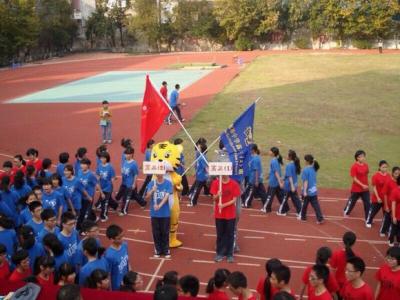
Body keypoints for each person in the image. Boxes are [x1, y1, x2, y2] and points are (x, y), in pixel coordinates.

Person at [210, 174, 241, 263]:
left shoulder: (234, 184)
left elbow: (234, 200)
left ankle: (229, 254)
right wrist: (217, 195)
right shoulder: (216, 183)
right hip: (219, 214)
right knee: (220, 234)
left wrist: (223, 205)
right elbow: (213, 198)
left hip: (230, 214)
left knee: (230, 234)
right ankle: (219, 253)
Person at [145, 173, 172, 258]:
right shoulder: (151, 183)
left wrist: (159, 206)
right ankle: (158, 249)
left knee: (165, 231)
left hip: (165, 213)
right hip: (154, 214)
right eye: (157, 173)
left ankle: (166, 249)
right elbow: (147, 197)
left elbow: (166, 197)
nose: (158, 174)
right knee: (156, 232)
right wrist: (152, 190)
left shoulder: (168, 183)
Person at [117, 147, 146, 216]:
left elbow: (136, 174)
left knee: (126, 197)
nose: (126, 155)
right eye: (125, 154)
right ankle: (143, 202)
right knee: (134, 195)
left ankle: (124, 211)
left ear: (131, 154)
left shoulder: (134, 164)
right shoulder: (124, 161)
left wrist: (134, 184)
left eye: (128, 154)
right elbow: (123, 167)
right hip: (124, 182)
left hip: (129, 184)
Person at [344, 150, 370, 220]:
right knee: (352, 201)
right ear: (357, 158)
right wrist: (362, 185)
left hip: (365, 189)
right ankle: (346, 211)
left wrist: (366, 185)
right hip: (356, 188)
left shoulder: (366, 165)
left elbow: (366, 174)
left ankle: (368, 218)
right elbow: (354, 178)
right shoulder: (354, 166)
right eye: (361, 157)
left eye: (364, 156)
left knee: (367, 203)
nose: (363, 158)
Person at [299, 154, 324, 224]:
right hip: (314, 191)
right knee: (316, 205)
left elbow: (305, 181)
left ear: (307, 161)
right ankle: (320, 218)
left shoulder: (305, 170)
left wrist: (304, 192)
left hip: (307, 191)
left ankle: (303, 217)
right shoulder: (314, 168)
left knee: (304, 205)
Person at [104, 224, 130, 291]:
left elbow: (127, 261)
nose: (122, 239)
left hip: (127, 281)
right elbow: (108, 274)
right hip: (117, 286)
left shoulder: (124, 245)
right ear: (112, 239)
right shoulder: (109, 255)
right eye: (119, 238)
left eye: (122, 236)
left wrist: (130, 274)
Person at [77, 158, 102, 226]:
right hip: (81, 195)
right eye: (81, 164)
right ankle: (94, 218)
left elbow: (96, 183)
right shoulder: (79, 172)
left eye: (84, 164)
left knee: (84, 213)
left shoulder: (90, 175)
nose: (82, 165)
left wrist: (101, 192)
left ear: (88, 165)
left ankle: (83, 227)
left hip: (89, 196)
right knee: (83, 209)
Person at [242, 144, 268, 209]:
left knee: (250, 191)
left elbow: (256, 170)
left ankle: (246, 203)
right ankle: (267, 204)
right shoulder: (255, 157)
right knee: (262, 192)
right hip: (257, 179)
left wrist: (256, 180)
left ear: (253, 150)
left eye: (250, 149)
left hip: (253, 179)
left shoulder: (255, 159)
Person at [366, 160, 389, 228]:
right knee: (373, 211)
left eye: (386, 167)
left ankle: (385, 225)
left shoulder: (389, 176)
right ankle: (368, 221)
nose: (385, 169)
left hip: (385, 198)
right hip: (377, 198)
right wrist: (378, 197)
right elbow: (374, 187)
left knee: (386, 212)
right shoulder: (376, 176)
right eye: (383, 167)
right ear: (380, 167)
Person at [278, 150, 302, 216]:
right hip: (294, 184)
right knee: (295, 199)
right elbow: (288, 175)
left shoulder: (289, 165)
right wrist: (282, 179)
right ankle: (300, 211)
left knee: (284, 198)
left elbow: (290, 176)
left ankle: (282, 211)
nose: (287, 156)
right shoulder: (295, 164)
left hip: (289, 185)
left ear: (290, 157)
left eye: (288, 155)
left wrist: (291, 186)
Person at [96, 151, 118, 222]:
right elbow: (97, 175)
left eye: (104, 158)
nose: (102, 159)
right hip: (101, 186)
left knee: (104, 202)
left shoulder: (110, 167)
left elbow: (112, 178)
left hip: (108, 187)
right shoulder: (99, 166)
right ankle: (115, 205)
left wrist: (113, 179)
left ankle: (104, 216)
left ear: (107, 158)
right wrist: (97, 183)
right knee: (108, 199)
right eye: (101, 158)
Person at [264, 147, 286, 214]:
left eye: (270, 151)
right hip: (275, 181)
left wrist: (280, 182)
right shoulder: (276, 160)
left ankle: (267, 208)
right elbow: (274, 171)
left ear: (273, 153)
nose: (269, 152)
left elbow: (276, 172)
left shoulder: (273, 161)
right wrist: (268, 176)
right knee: (280, 196)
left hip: (273, 182)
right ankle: (285, 208)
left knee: (269, 196)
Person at [381, 167, 400, 236]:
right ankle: (382, 231)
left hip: (397, 206)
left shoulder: (398, 182)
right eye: (396, 173)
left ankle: (392, 232)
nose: (397, 175)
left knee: (394, 220)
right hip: (389, 204)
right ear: (392, 173)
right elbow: (385, 194)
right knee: (387, 218)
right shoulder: (388, 181)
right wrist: (386, 205)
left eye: (398, 174)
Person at [389, 176, 400, 246]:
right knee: (394, 229)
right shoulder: (395, 191)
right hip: (397, 215)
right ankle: (391, 240)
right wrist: (393, 216)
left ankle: (399, 241)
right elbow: (393, 204)